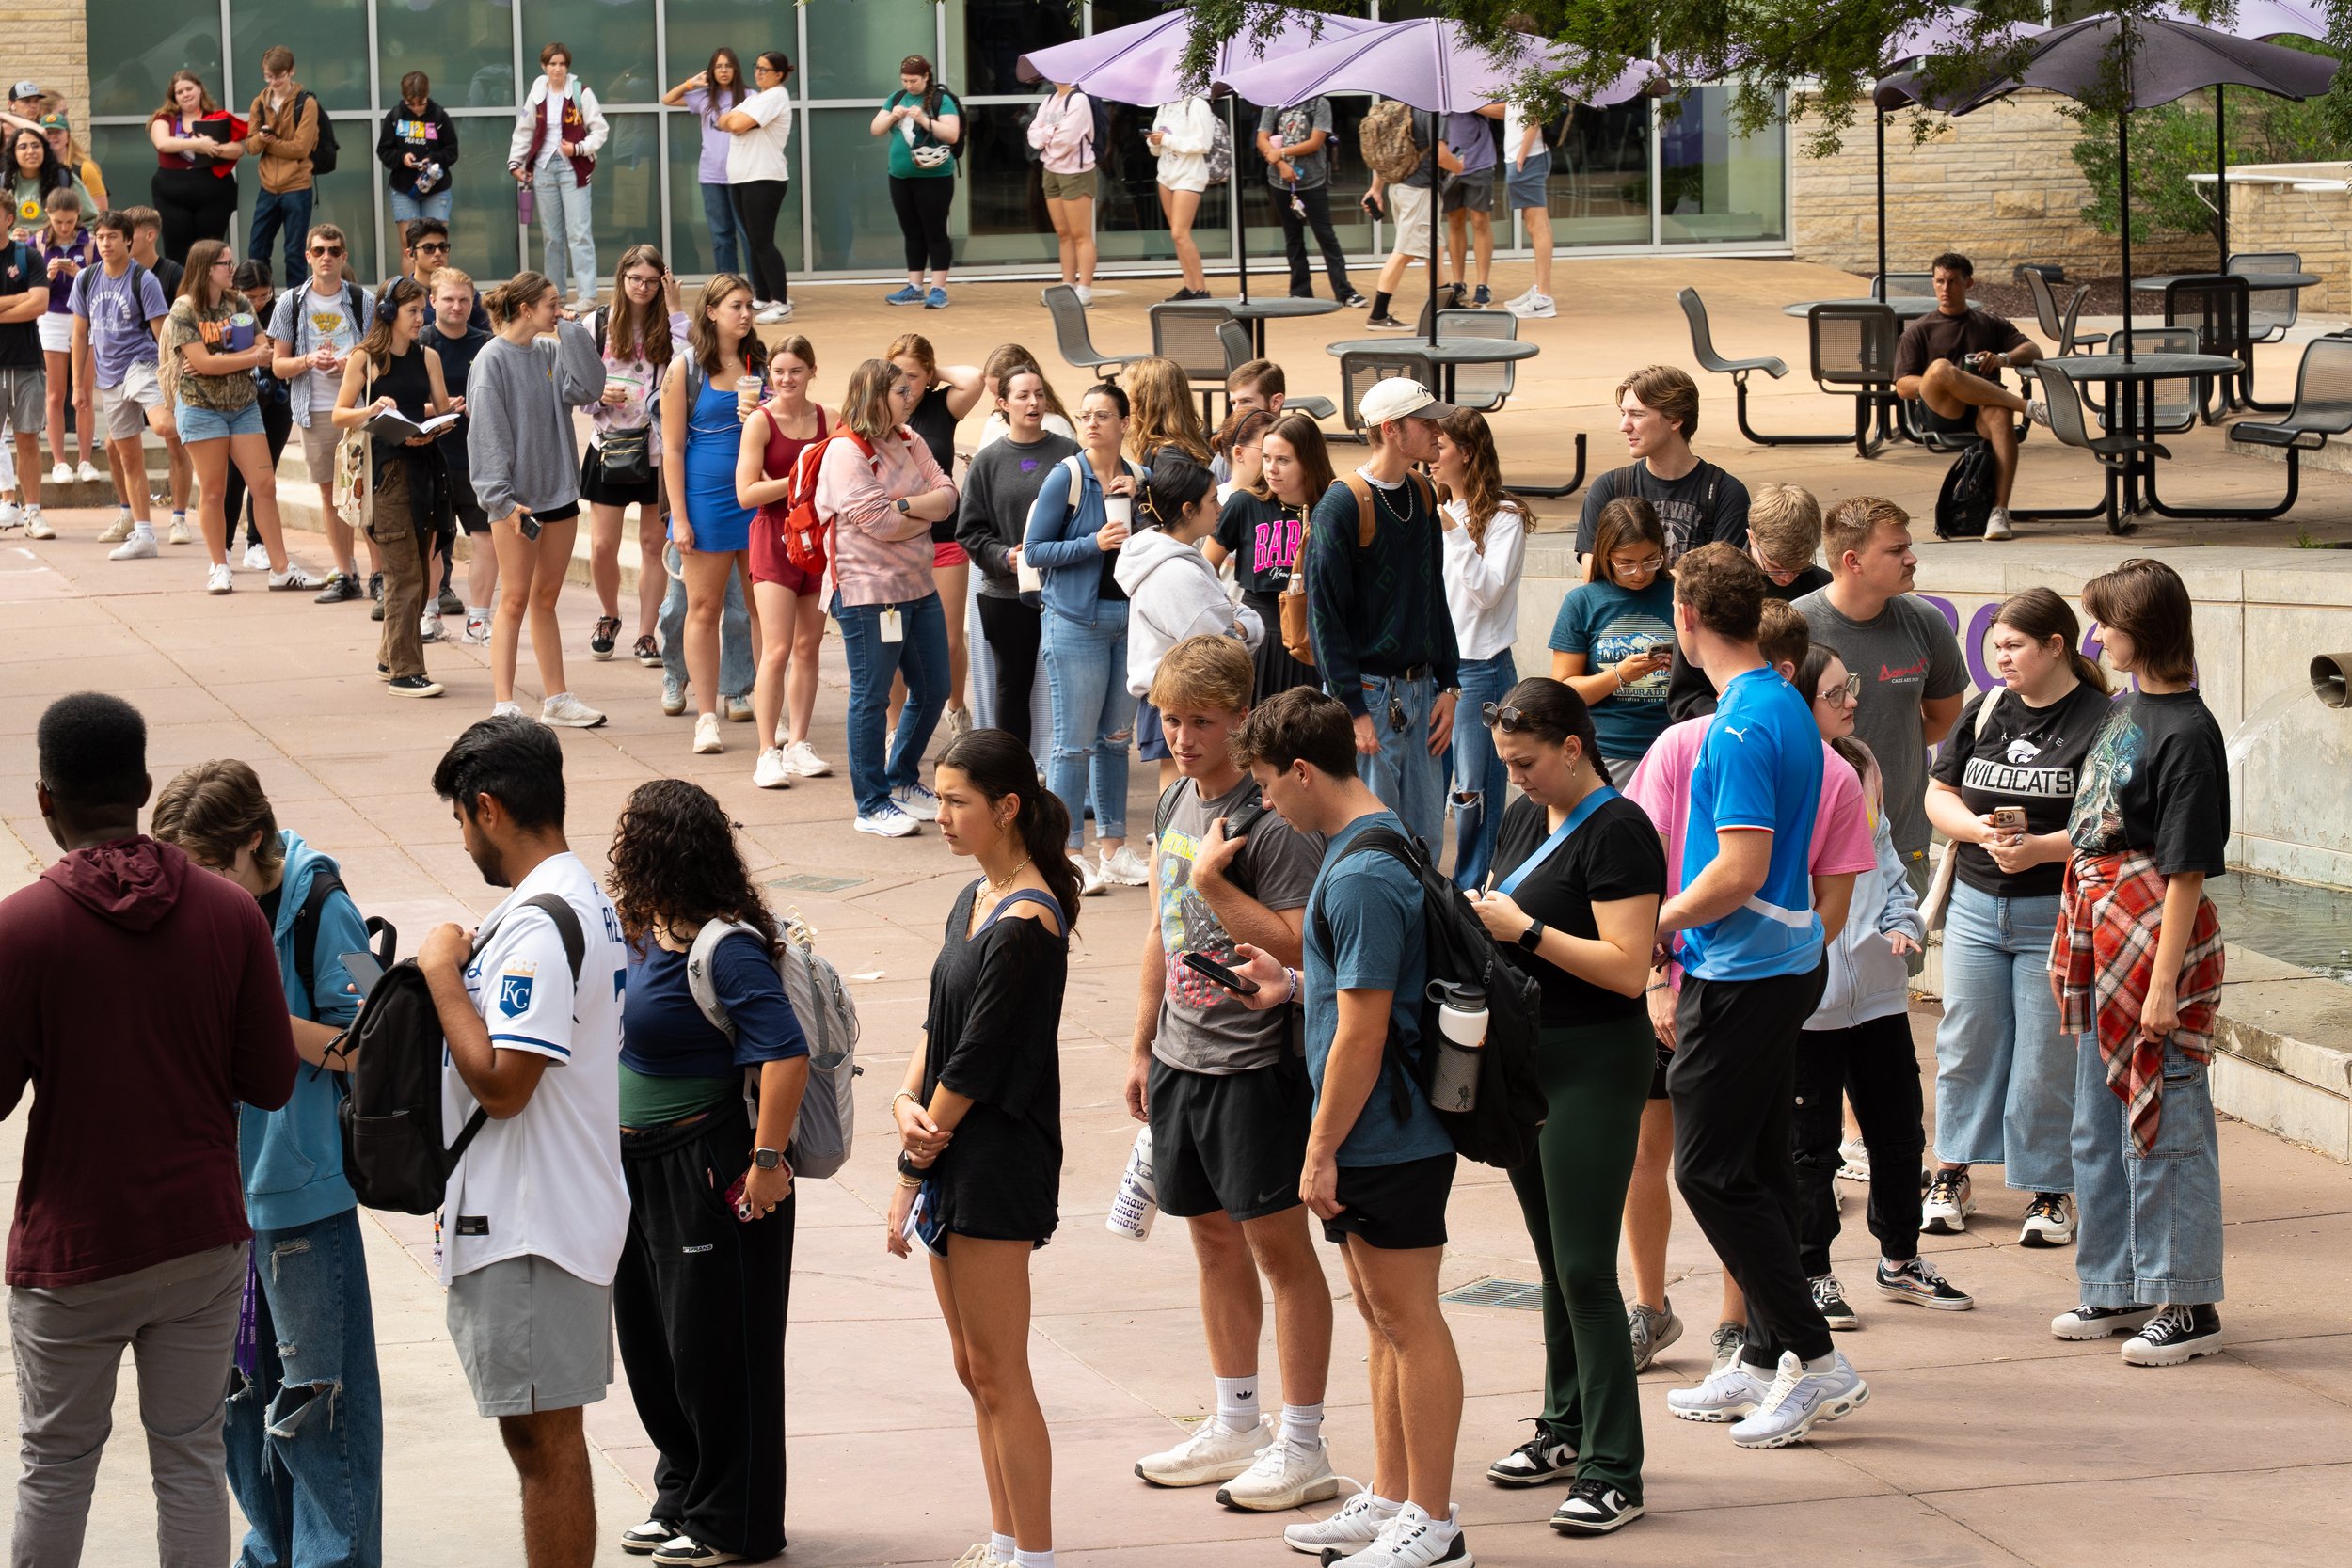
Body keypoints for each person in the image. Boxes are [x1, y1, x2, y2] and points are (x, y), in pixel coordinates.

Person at [0, 693, 296, 1568]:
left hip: (75, 1251)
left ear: (45, 799)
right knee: (192, 1459)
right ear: (140, 784)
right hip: (200, 1241)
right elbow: (271, 1081)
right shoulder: (229, 913)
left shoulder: (22, 927)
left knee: (55, 1466)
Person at [1223, 688, 1473, 1568]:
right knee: (1379, 1314)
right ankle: (1397, 1496)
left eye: (1265, 784)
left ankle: (1435, 1526)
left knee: (1408, 1318)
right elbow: (1360, 994)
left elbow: (1366, 1030)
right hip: (1379, 1124)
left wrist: (1319, 1147)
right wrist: (1291, 987)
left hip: (1387, 1133)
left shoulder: (1362, 869)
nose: (1263, 803)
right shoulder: (1367, 845)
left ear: (1300, 770)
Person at [1648, 544, 1868, 1448]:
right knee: (1763, 1165)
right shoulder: (1776, 701)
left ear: (1688, 618)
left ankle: (1815, 1360)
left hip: (1741, 972)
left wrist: (1655, 925)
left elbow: (1736, 868)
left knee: (1706, 1169)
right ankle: (1774, 1351)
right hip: (1775, 966)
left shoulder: (1740, 723)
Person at [148, 759, 385, 1568]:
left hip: (302, 1202)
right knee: (240, 1409)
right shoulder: (202, 915)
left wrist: (257, 1017)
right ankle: (269, 1552)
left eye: (208, 869)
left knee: (322, 1409)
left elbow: (372, 1041)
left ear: (255, 842)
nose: (193, 888)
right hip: (221, 1200)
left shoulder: (325, 908)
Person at [1123, 636, 1336, 1512]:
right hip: (1182, 1056)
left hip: (1255, 1065)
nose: (1180, 736)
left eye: (1200, 722)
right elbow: (1159, 928)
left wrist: (1216, 885)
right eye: (1169, 718)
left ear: (1240, 717)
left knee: (1277, 1249)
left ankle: (1303, 1440)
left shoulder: (1271, 817)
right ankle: (1235, 1419)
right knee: (1210, 1239)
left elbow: (1300, 941)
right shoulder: (1176, 795)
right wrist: (1141, 1043)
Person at [418, 716, 630, 1568]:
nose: (464, 840)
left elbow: (505, 1085)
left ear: (489, 808)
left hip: (535, 1224)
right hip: (532, 1214)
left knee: (545, 1449)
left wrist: (439, 977)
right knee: (540, 1441)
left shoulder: (544, 924)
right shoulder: (561, 903)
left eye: (461, 821)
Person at [1467, 679, 1663, 1535]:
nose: (1517, 778)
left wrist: (1526, 932)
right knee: (1552, 1255)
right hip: (1528, 1057)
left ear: (1574, 746)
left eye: (1527, 762)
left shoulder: (1620, 831)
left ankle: (1615, 1466)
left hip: (1595, 1059)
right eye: (1508, 763)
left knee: (1585, 1266)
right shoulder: (1522, 816)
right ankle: (1564, 1423)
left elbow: (1628, 968)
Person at [886, 729, 1076, 1568]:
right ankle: (1003, 1541)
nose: (942, 815)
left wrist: (911, 1160)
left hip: (997, 1159)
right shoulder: (973, 898)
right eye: (938, 798)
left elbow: (980, 1057)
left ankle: (1031, 1554)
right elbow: (939, 1022)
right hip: (950, 1147)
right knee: (973, 1367)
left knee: (1002, 1369)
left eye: (957, 800)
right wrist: (901, 1097)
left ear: (1007, 807)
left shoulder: (1029, 918)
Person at [606, 779, 808, 1566]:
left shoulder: (725, 948)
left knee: (718, 1350)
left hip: (710, 1164)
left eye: (632, 838)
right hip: (640, 1167)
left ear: (661, 849)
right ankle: (683, 1493)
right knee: (655, 1343)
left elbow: (783, 1050)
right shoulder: (649, 930)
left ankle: (735, 1521)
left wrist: (764, 1161)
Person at [2049, 558, 2230, 1367]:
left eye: (2106, 624)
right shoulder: (2126, 708)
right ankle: (2118, 1285)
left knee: (2167, 1125)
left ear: (2143, 630)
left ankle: (2187, 1297)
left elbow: (2187, 869)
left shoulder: (2189, 732)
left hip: (2157, 939)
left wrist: (2163, 987)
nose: (2096, 637)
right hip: (2104, 933)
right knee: (2097, 1124)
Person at [1925, 587, 2114, 1247]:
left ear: (2056, 646)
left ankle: (2048, 1187)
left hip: (2053, 910)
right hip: (1976, 905)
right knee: (1965, 1041)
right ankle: (1951, 1171)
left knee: (2044, 1054)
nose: (2000, 658)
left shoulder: (2099, 719)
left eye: (2013, 647)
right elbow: (1940, 792)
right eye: (1994, 647)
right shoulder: (1988, 709)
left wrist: (2037, 849)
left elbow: (2107, 825)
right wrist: (1978, 833)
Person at [1789, 641, 1968, 1331]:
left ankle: (1900, 1257)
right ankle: (1813, 1272)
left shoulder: (1860, 763)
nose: (1851, 700)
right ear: (1801, 702)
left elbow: (1886, 863)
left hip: (1879, 990)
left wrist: (1902, 923)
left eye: (1851, 687)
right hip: (1811, 995)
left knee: (1899, 1131)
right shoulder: (1786, 775)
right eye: (1836, 692)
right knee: (1810, 1146)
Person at [1304, 376, 1462, 852]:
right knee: (1374, 837)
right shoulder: (1342, 504)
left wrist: (1450, 684)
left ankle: (1423, 927)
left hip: (1423, 691)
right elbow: (1324, 617)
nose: (1439, 431)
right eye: (1426, 421)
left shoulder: (1422, 491)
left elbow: (1435, 592)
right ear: (1392, 429)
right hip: (1370, 696)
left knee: (1427, 841)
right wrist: (1352, 709)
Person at [1795, 496, 1969, 902]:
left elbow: (1944, 720)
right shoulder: (1794, 628)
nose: (1911, 559)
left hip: (1902, 842)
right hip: (1811, 840)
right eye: (1896, 550)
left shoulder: (1926, 622)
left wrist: (1887, 746)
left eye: (1908, 547)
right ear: (1853, 561)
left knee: (1899, 961)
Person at [822, 356, 957, 836]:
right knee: (871, 697)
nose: (910, 397)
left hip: (918, 586)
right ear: (875, 396)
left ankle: (901, 778)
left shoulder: (909, 437)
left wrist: (905, 507)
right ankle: (871, 802)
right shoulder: (846, 451)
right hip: (867, 593)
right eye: (900, 391)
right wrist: (917, 514)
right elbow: (876, 521)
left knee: (935, 686)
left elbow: (948, 495)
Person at [468, 269, 609, 725]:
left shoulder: (551, 348)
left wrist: (569, 330)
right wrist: (502, 500)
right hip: (514, 502)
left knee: (545, 597)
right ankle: (504, 703)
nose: (559, 308)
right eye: (552, 303)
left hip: (559, 493)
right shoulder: (491, 359)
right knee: (513, 598)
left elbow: (590, 387)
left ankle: (557, 699)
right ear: (526, 308)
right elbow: (486, 433)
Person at [1024, 380, 1146, 891]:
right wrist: (1091, 543)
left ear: (1124, 422)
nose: (1092, 423)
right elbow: (1033, 550)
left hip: (1126, 619)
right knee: (1071, 746)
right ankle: (1069, 853)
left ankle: (1113, 847)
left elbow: (1161, 535)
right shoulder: (1066, 477)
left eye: (1102, 415)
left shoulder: (1140, 477)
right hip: (1075, 621)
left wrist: (1142, 503)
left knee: (1116, 741)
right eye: (1085, 414)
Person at [163, 238, 319, 597]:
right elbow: (202, 364)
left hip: (243, 405)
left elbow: (264, 349)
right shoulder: (184, 310)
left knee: (265, 485)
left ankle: (281, 569)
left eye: (231, 263)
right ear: (205, 269)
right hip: (201, 408)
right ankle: (219, 566)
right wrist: (242, 357)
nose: (231, 270)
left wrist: (227, 359)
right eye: (224, 264)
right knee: (215, 490)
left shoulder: (239, 301)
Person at [333, 274, 459, 698]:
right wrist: (373, 409)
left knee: (420, 574)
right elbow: (339, 415)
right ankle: (406, 671)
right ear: (388, 314)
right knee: (404, 575)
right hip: (386, 476)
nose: (418, 318)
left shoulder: (428, 357)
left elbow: (440, 411)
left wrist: (440, 421)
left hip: (425, 469)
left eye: (421, 310)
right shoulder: (365, 358)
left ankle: (390, 657)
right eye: (412, 311)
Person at [661, 272, 768, 756]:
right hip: (705, 501)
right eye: (736, 306)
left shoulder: (762, 363)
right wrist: (679, 517)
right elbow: (673, 450)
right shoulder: (686, 368)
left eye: (749, 306)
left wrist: (762, 418)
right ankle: (706, 716)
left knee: (759, 608)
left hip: (757, 498)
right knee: (703, 608)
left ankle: (769, 708)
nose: (745, 315)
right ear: (711, 312)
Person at [1119, 452, 1261, 796]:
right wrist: (1242, 628)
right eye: (1212, 501)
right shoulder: (1175, 571)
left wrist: (1239, 623)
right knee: (1180, 807)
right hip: (1180, 700)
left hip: (1179, 696)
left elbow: (1231, 617)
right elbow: (1219, 645)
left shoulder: (1175, 558)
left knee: (1186, 803)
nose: (1219, 509)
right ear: (1188, 510)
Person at [958, 359, 1078, 753]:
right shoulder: (988, 460)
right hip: (1006, 594)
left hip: (1065, 592)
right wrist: (1001, 556)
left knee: (1070, 684)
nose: (1034, 402)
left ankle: (1069, 773)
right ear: (1002, 403)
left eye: (1040, 394)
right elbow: (969, 531)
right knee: (1013, 685)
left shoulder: (1069, 453)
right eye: (1023, 395)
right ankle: (1015, 772)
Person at [1892, 251, 2048, 543]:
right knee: (1940, 369)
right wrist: (1947, 381)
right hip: (1941, 411)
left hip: (1981, 411)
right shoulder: (1920, 330)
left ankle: (2000, 512)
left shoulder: (1988, 323)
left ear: (1969, 283)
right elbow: (1902, 386)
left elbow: (2033, 351)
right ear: (1932, 283)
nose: (1945, 289)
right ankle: (2029, 407)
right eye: (1939, 282)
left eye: (1952, 282)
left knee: (2001, 412)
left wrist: (2002, 359)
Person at [1435, 407, 1526, 891]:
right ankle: (1432, 889)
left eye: (1441, 447)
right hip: (1434, 671)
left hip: (1479, 671)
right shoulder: (1431, 513)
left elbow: (1487, 592)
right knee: (1433, 788)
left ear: (1466, 454)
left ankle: (1475, 892)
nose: (1431, 457)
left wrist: (1451, 529)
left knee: (1474, 792)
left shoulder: (1503, 517)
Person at [743, 332, 837, 787]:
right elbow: (747, 492)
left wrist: (794, 480)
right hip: (773, 537)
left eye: (795, 371)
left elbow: (842, 479)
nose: (785, 379)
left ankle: (798, 743)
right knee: (777, 649)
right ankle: (767, 750)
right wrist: (797, 478)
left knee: (808, 646)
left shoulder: (830, 419)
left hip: (815, 541)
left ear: (812, 372)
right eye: (778, 371)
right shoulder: (760, 422)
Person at [582, 245, 683, 668]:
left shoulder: (673, 325)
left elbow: (688, 366)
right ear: (621, 279)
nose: (642, 288)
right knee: (603, 545)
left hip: (655, 449)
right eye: (634, 279)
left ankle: (646, 632)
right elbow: (574, 384)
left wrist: (676, 308)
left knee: (650, 543)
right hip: (608, 444)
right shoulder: (598, 324)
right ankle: (609, 615)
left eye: (650, 280)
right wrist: (596, 395)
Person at [267, 222, 373, 601]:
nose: (326, 257)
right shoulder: (290, 302)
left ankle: (377, 576)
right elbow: (278, 365)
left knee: (365, 495)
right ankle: (346, 572)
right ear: (307, 256)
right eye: (318, 251)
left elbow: (380, 361)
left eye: (333, 250)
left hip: (359, 410)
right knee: (332, 497)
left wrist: (352, 365)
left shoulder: (363, 300)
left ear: (344, 257)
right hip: (314, 410)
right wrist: (308, 360)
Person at [1664, 480, 1828, 721]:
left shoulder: (1822, 585)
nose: (1788, 576)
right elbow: (1686, 696)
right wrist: (1741, 720)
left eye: (1800, 566)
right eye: (1776, 566)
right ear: (1751, 537)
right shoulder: (1714, 585)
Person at [890, 332, 985, 735]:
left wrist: (932, 374)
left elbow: (977, 378)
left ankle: (956, 706)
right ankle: (894, 727)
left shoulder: (939, 406)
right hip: (894, 538)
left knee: (947, 640)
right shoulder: (877, 411)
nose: (905, 385)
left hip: (944, 535)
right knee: (891, 640)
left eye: (913, 376)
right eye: (897, 375)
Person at [69, 209, 178, 558]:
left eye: (112, 237)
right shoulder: (85, 279)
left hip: (141, 364)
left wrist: (173, 377)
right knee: (129, 458)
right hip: (108, 377)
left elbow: (162, 333)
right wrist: (78, 385)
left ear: (128, 240)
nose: (105, 243)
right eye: (100, 237)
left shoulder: (144, 280)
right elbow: (79, 333)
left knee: (163, 425)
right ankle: (144, 534)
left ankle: (206, 428)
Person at [1549, 496, 1675, 786]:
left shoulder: (1679, 595)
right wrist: (1619, 675)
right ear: (1607, 555)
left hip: (1670, 746)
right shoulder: (1583, 602)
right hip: (1606, 752)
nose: (1641, 574)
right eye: (1627, 564)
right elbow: (1564, 692)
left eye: (1650, 560)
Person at [1209, 409, 1328, 704]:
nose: (1272, 469)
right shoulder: (1244, 504)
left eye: (1283, 460)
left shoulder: (1331, 506)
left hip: (1313, 637)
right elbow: (1203, 567)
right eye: (1267, 458)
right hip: (1258, 632)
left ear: (1308, 462)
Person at [1576, 364, 1749, 565]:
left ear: (1675, 420)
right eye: (1623, 413)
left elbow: (1723, 583)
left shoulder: (1725, 493)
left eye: (1637, 414)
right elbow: (1592, 580)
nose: (1623, 426)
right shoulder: (1609, 488)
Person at [423, 266, 498, 642]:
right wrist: (433, 408)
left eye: (464, 300)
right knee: (432, 540)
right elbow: (396, 401)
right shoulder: (419, 343)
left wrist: (476, 406)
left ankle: (479, 618)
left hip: (477, 458)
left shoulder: (487, 343)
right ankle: (430, 612)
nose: (456, 307)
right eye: (448, 299)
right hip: (430, 456)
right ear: (432, 301)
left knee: (486, 537)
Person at [508, 42, 609, 312]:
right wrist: (515, 162)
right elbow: (525, 129)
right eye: (552, 63)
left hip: (572, 168)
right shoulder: (538, 92)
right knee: (551, 237)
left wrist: (578, 148)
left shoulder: (580, 92)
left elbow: (600, 130)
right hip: (543, 168)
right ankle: (556, 294)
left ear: (567, 66)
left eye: (562, 63)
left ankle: (587, 295)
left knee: (579, 233)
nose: (557, 68)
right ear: (544, 66)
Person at [872, 55, 961, 309]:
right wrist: (891, 117)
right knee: (911, 232)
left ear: (925, 77)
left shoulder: (940, 100)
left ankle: (939, 288)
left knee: (935, 232)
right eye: (905, 80)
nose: (909, 85)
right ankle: (914, 286)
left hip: (935, 177)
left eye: (914, 80)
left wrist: (924, 119)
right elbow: (875, 129)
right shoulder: (896, 98)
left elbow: (952, 134)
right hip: (900, 176)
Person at [1257, 95, 1362, 307]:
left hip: (1313, 180)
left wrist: (1282, 152)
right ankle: (1300, 290)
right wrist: (1282, 165)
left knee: (1325, 235)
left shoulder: (1319, 103)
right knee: (1292, 236)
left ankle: (1344, 291)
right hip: (1280, 182)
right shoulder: (1273, 101)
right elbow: (1261, 138)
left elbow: (1316, 141)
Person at [719, 51, 795, 325]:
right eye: (757, 68)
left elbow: (735, 122)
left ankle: (781, 303)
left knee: (763, 241)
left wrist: (737, 122)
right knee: (753, 240)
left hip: (764, 177)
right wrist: (735, 122)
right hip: (742, 178)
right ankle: (762, 296)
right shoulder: (755, 98)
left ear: (779, 74)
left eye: (765, 69)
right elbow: (722, 121)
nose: (759, 73)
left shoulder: (776, 96)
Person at [32, 188, 97, 503]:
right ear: (48, 215)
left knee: (84, 391)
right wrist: (47, 275)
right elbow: (31, 287)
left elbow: (103, 280)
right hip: (53, 317)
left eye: (70, 221)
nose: (65, 227)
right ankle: (59, 461)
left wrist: (79, 273)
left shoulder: (91, 242)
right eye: (59, 222)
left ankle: (85, 459)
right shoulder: (37, 242)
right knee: (55, 392)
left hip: (84, 318)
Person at [1362, 106, 1454, 332]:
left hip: (1400, 188)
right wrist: (1460, 166)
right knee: (1405, 251)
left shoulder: (1403, 107)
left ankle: (1449, 306)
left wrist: (1376, 188)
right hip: (1419, 191)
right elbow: (1441, 155)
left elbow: (1383, 153)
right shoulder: (1433, 110)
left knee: (1435, 249)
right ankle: (1378, 314)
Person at [239, 47, 321, 292]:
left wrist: (269, 141)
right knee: (257, 250)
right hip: (268, 187)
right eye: (268, 77)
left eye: (279, 76)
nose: (274, 82)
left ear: (291, 72)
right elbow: (251, 147)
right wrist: (265, 139)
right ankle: (262, 303)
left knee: (294, 254)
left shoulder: (306, 103)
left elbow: (300, 149)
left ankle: (294, 308)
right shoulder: (260, 102)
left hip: (297, 186)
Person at [664, 52, 751, 276]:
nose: (723, 70)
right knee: (721, 236)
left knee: (748, 234)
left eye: (728, 66)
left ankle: (757, 288)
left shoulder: (750, 97)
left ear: (736, 70)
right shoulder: (704, 97)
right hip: (711, 176)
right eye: (719, 66)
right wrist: (691, 83)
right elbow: (668, 99)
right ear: (711, 70)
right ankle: (727, 286)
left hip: (743, 175)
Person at [148, 71, 244, 262]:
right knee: (177, 251)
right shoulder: (164, 118)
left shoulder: (217, 117)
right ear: (174, 97)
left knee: (210, 251)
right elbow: (162, 143)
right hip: (172, 193)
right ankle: (180, 292)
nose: (185, 94)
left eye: (189, 88)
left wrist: (212, 148)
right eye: (179, 92)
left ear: (200, 89)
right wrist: (198, 144)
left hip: (212, 192)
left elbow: (237, 149)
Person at [0, 185, 48, 534]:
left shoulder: (26, 256)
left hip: (27, 361)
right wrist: (16, 301)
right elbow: (26, 302)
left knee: (27, 438)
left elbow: (39, 303)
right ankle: (8, 503)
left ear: (8, 218)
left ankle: (33, 511)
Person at [1028, 81, 1100, 304]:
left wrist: (1046, 136)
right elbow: (1032, 135)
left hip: (1075, 171)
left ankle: (1084, 291)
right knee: (1063, 233)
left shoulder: (1078, 99)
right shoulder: (1050, 99)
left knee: (1081, 234)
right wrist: (1050, 133)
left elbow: (1066, 141)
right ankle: (1067, 286)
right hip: (1051, 170)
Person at [1149, 92, 1216, 301]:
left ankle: (1201, 290)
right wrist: (1155, 142)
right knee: (1176, 235)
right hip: (1166, 174)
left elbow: (1203, 144)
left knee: (1180, 233)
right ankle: (1189, 286)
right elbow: (1155, 150)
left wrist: (1166, 139)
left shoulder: (1197, 104)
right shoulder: (1164, 105)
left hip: (1189, 175)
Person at [379, 71, 459, 245]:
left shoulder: (439, 116)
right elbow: (384, 150)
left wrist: (433, 158)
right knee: (411, 247)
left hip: (436, 187)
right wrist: (402, 157)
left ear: (427, 95)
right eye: (411, 104)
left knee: (437, 244)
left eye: (421, 103)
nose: (416, 108)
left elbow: (452, 151)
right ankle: (411, 274)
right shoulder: (395, 116)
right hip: (403, 189)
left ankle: (439, 274)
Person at [1500, 94, 1554, 319]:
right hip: (1523, 157)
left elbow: (1534, 119)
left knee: (1537, 226)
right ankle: (1540, 290)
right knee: (1536, 226)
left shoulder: (1531, 77)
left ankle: (1544, 298)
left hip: (1529, 157)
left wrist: (1521, 156)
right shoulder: (1520, 78)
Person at [1438, 108, 1496, 309]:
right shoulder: (1439, 85)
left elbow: (1506, 110)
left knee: (1480, 221)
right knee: (1455, 220)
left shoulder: (1477, 84)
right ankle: (1458, 283)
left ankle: (1483, 284)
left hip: (1480, 162)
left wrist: (1470, 103)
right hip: (1448, 161)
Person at [975, 342, 1075, 450]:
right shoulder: (995, 421)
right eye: (994, 394)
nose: (998, 401)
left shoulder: (1056, 425)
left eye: (1002, 392)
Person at [1123, 355, 1212, 470]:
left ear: (1145, 399)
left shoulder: (1168, 459)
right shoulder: (1189, 445)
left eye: (1126, 387)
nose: (1124, 393)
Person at [7, 126, 89, 239]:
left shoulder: (63, 178)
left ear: (45, 150)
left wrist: (69, 239)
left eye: (36, 146)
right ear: (13, 153)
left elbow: (92, 221)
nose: (31, 151)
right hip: (15, 253)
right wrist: (10, 237)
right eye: (23, 147)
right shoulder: (4, 182)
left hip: (54, 252)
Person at [36, 111, 107, 212]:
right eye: (48, 132)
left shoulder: (84, 169)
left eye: (58, 132)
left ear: (68, 137)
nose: (52, 136)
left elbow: (101, 209)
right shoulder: (35, 169)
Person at [1210, 403, 1271, 503]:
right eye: (1265, 450)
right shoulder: (1215, 501)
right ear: (1239, 453)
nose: (1273, 458)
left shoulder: (1285, 498)